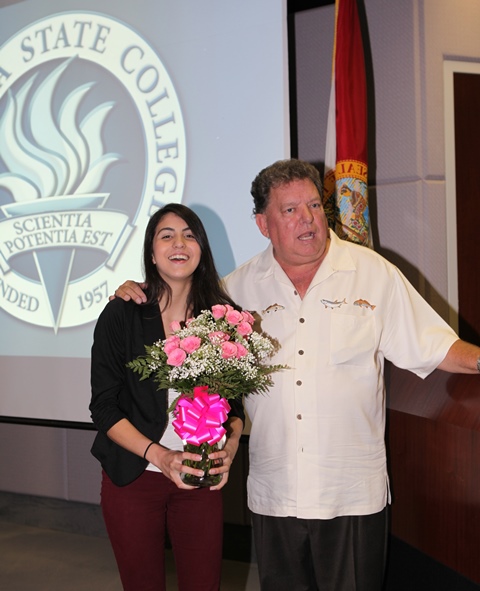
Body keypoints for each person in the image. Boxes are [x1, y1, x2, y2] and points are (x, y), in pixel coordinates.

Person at [113, 159, 480, 591]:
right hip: (275, 492)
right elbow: (177, 312)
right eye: (290, 210)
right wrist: (132, 291)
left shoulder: (373, 273)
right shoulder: (235, 289)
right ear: (263, 224)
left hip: (351, 492)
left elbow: (435, 345)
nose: (307, 219)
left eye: (314, 206)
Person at [90, 203, 245, 591]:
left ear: (202, 248)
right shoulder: (122, 314)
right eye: (167, 235)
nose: (179, 243)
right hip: (134, 476)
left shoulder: (223, 318)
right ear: (151, 251)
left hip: (199, 476)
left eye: (189, 235)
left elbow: (236, 405)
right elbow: (103, 408)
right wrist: (160, 456)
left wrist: (232, 445)